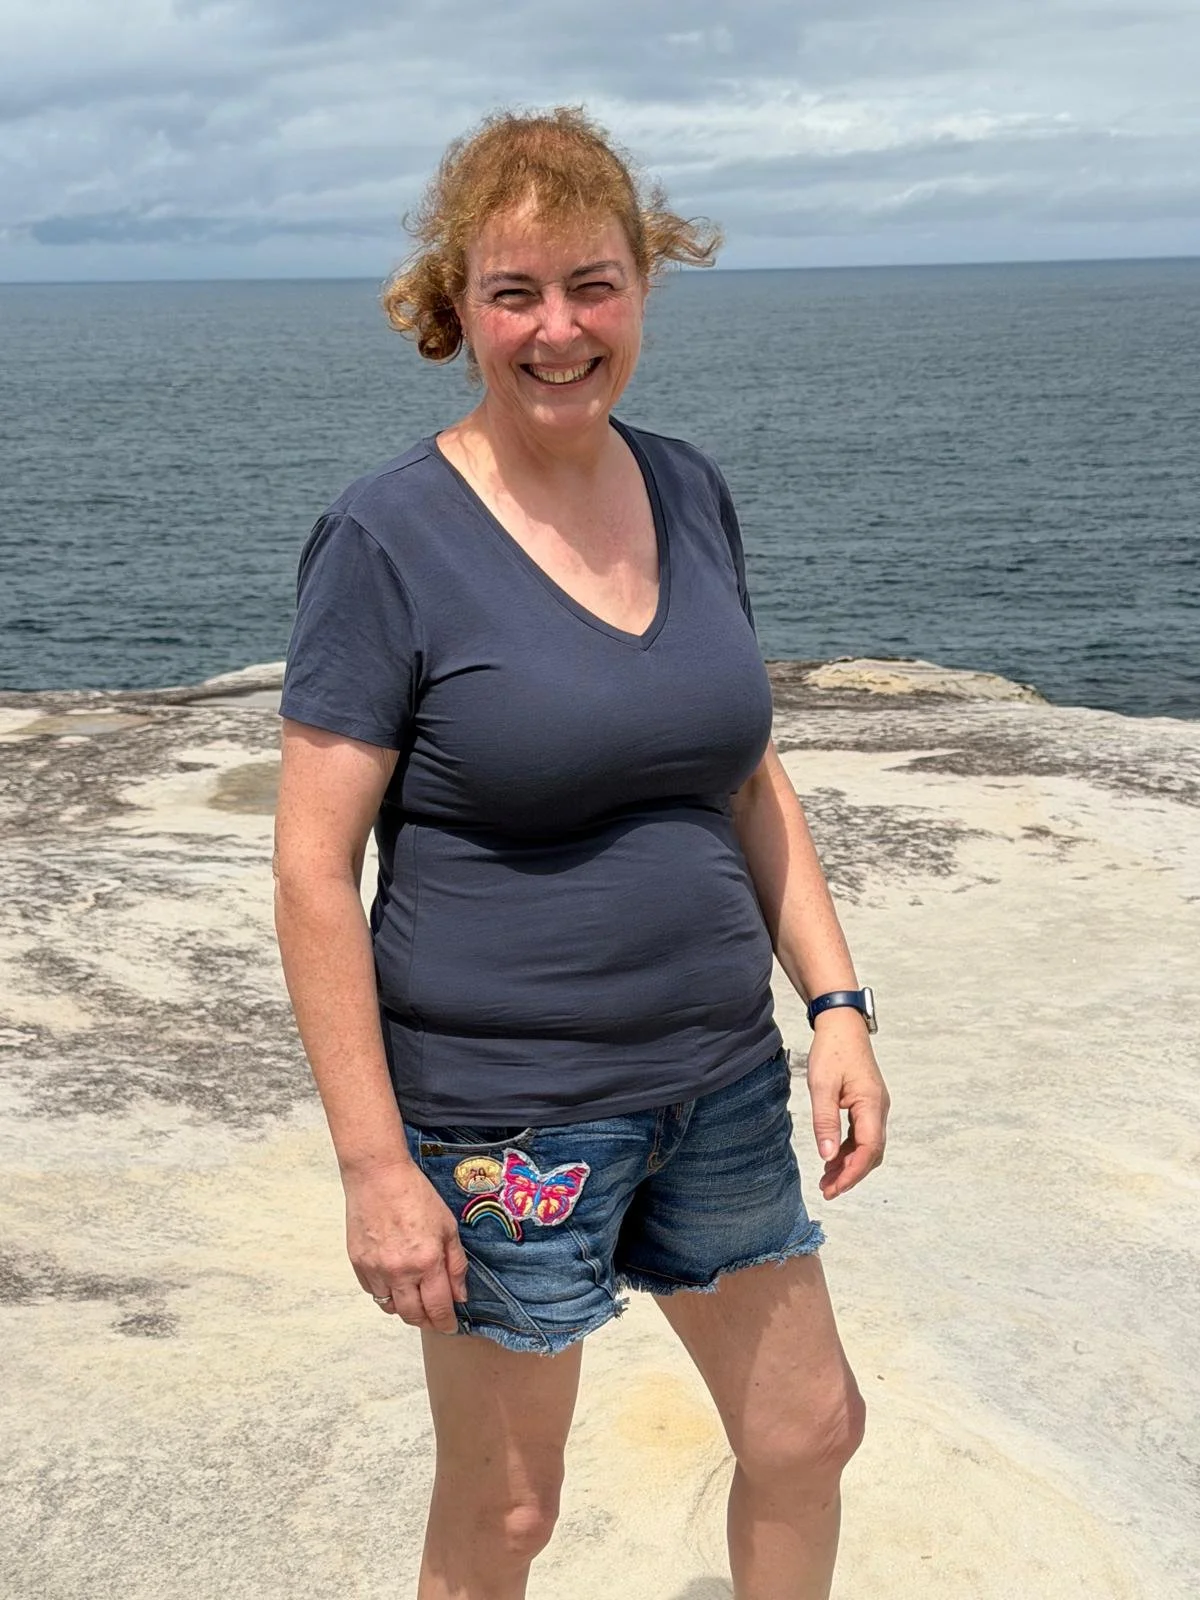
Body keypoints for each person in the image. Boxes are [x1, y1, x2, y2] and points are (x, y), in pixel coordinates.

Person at [273, 105, 890, 1600]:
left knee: (809, 1430)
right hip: (507, 1124)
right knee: (505, 1517)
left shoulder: (687, 489)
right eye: (516, 293)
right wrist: (374, 1167)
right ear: (459, 306)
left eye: (592, 286)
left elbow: (745, 773)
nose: (559, 330)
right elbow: (310, 872)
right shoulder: (388, 538)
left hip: (716, 1081)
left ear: (644, 286)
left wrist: (836, 1004)